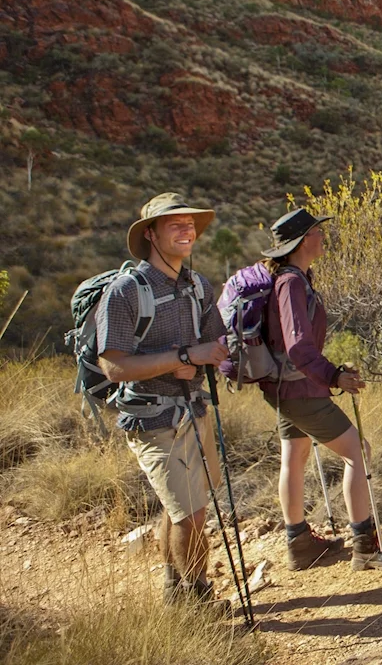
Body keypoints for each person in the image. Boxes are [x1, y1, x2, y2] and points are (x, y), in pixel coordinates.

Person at [97, 193, 232, 607]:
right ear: (151, 235)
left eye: (190, 223)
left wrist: (209, 355)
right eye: (175, 224)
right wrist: (183, 358)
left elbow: (214, 341)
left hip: (194, 410)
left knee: (184, 508)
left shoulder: (198, 285)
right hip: (153, 421)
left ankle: (175, 590)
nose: (187, 229)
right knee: (190, 515)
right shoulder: (125, 292)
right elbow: (114, 367)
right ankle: (197, 600)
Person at [258, 207, 382, 571]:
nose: (322, 237)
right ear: (302, 242)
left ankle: (299, 545)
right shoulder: (292, 283)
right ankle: (366, 546)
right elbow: (298, 347)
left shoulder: (292, 279)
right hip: (301, 389)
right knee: (358, 452)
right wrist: (333, 376)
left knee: (294, 455)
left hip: (284, 387)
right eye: (317, 232)